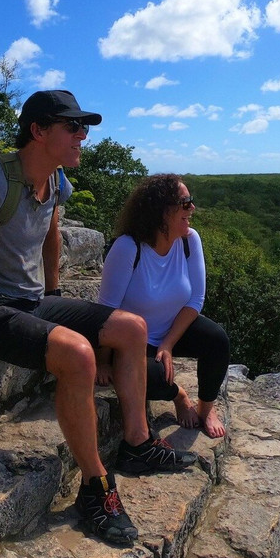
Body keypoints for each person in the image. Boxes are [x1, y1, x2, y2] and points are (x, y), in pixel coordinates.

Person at [0, 90, 195, 547]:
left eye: (84, 127)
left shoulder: (55, 179)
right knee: (78, 354)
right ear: (38, 131)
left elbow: (51, 233)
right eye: (72, 127)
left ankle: (137, 444)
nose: (83, 135)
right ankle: (95, 487)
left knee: (131, 328)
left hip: (28, 300)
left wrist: (56, 295)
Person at [97, 174, 230, 439]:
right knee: (154, 375)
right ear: (161, 210)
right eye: (184, 203)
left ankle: (206, 409)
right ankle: (179, 396)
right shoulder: (128, 247)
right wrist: (102, 362)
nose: (191, 208)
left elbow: (195, 301)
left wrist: (167, 344)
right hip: (131, 338)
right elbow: (105, 311)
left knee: (217, 340)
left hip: (172, 329)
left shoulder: (189, 240)